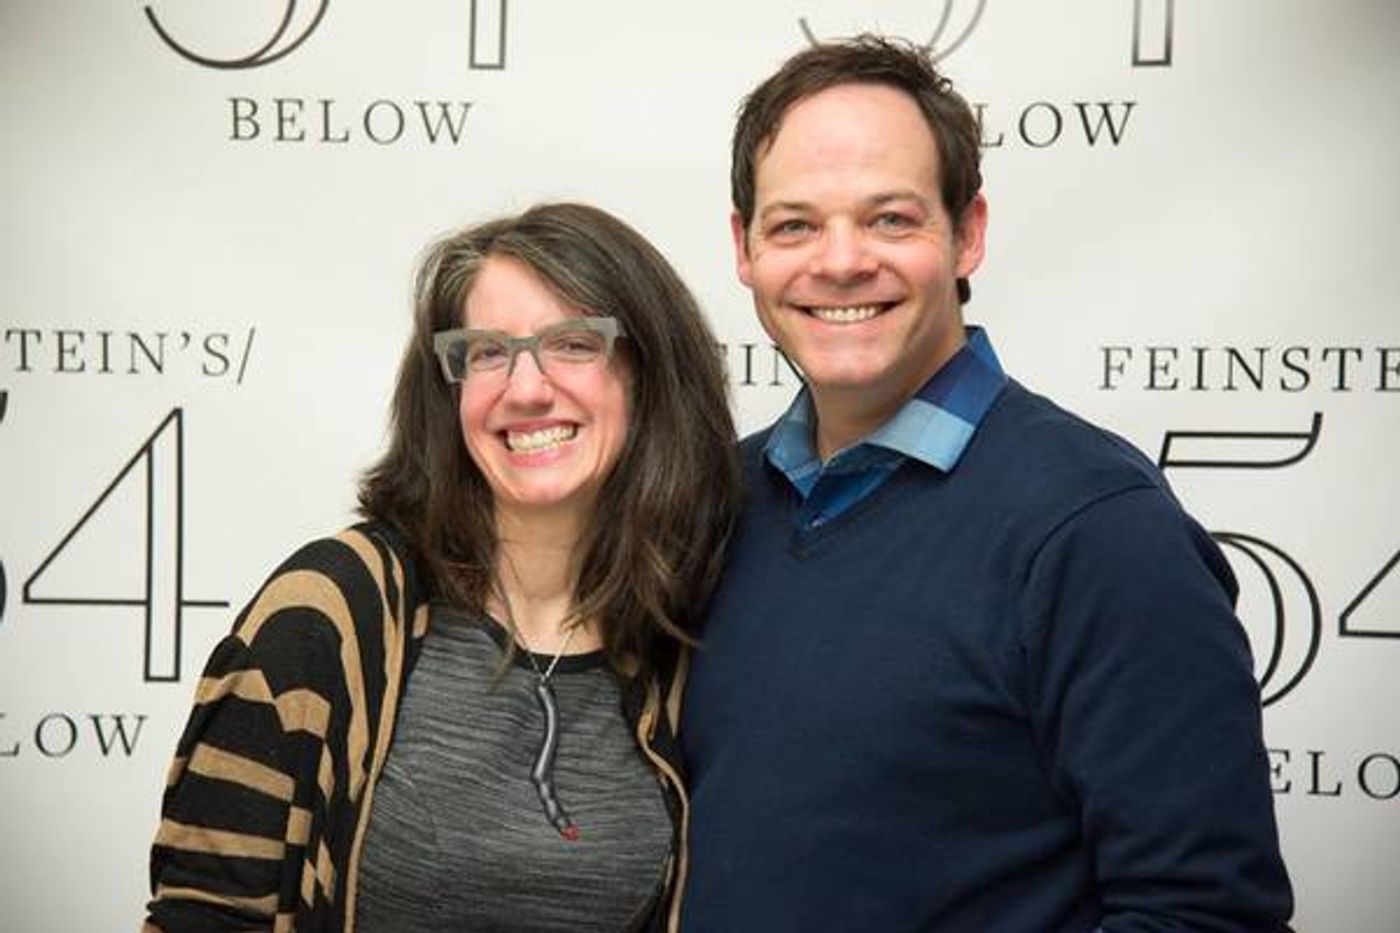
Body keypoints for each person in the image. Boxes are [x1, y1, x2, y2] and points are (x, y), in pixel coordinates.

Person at [679, 35, 1294, 932]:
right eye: (795, 224)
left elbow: (1207, 914)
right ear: (744, 248)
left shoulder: (1096, 529)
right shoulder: (711, 502)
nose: (841, 260)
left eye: (891, 219)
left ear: (967, 233)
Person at [143, 202, 740, 933]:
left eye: (574, 343)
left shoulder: (680, 637)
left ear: (651, 376)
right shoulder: (333, 609)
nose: (525, 388)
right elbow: (203, 914)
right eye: (487, 351)